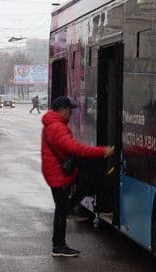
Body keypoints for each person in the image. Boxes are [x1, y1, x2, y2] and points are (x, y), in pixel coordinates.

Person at [41, 97, 113, 257]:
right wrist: (101, 151)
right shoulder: (57, 127)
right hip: (58, 173)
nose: (70, 114)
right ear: (62, 110)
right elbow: (75, 148)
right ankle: (59, 245)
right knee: (65, 205)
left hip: (54, 171)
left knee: (62, 208)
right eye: (69, 110)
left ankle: (59, 242)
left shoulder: (52, 124)